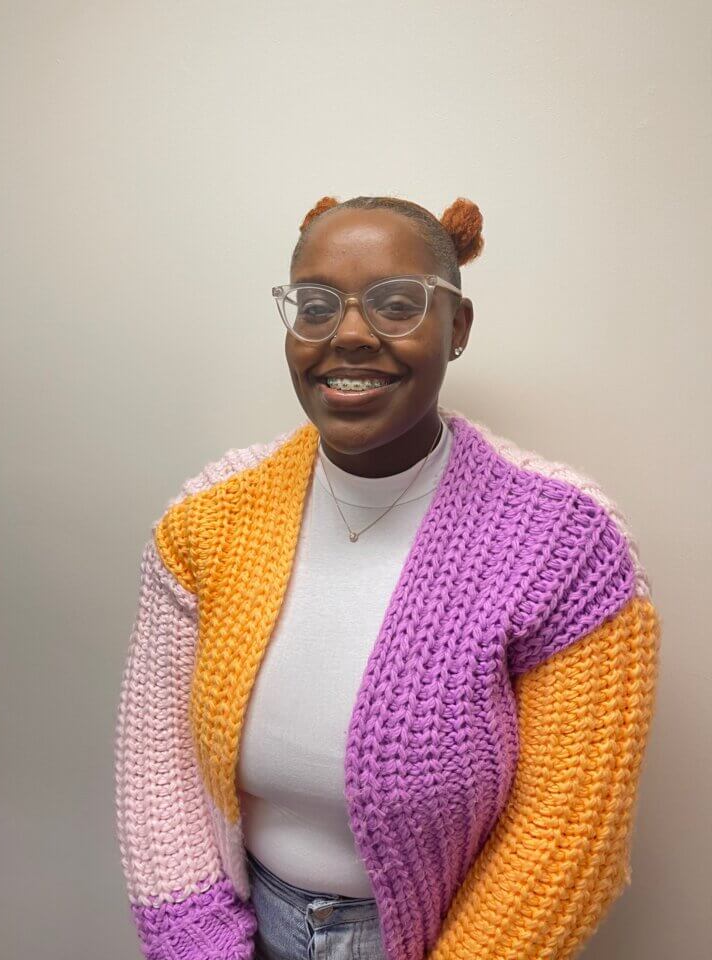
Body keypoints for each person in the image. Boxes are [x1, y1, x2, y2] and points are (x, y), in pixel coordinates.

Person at [114, 195, 661, 960]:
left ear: (458, 328)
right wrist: (197, 946)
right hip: (245, 929)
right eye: (315, 306)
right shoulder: (206, 521)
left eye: (397, 304)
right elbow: (159, 765)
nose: (350, 337)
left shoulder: (564, 542)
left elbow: (568, 837)